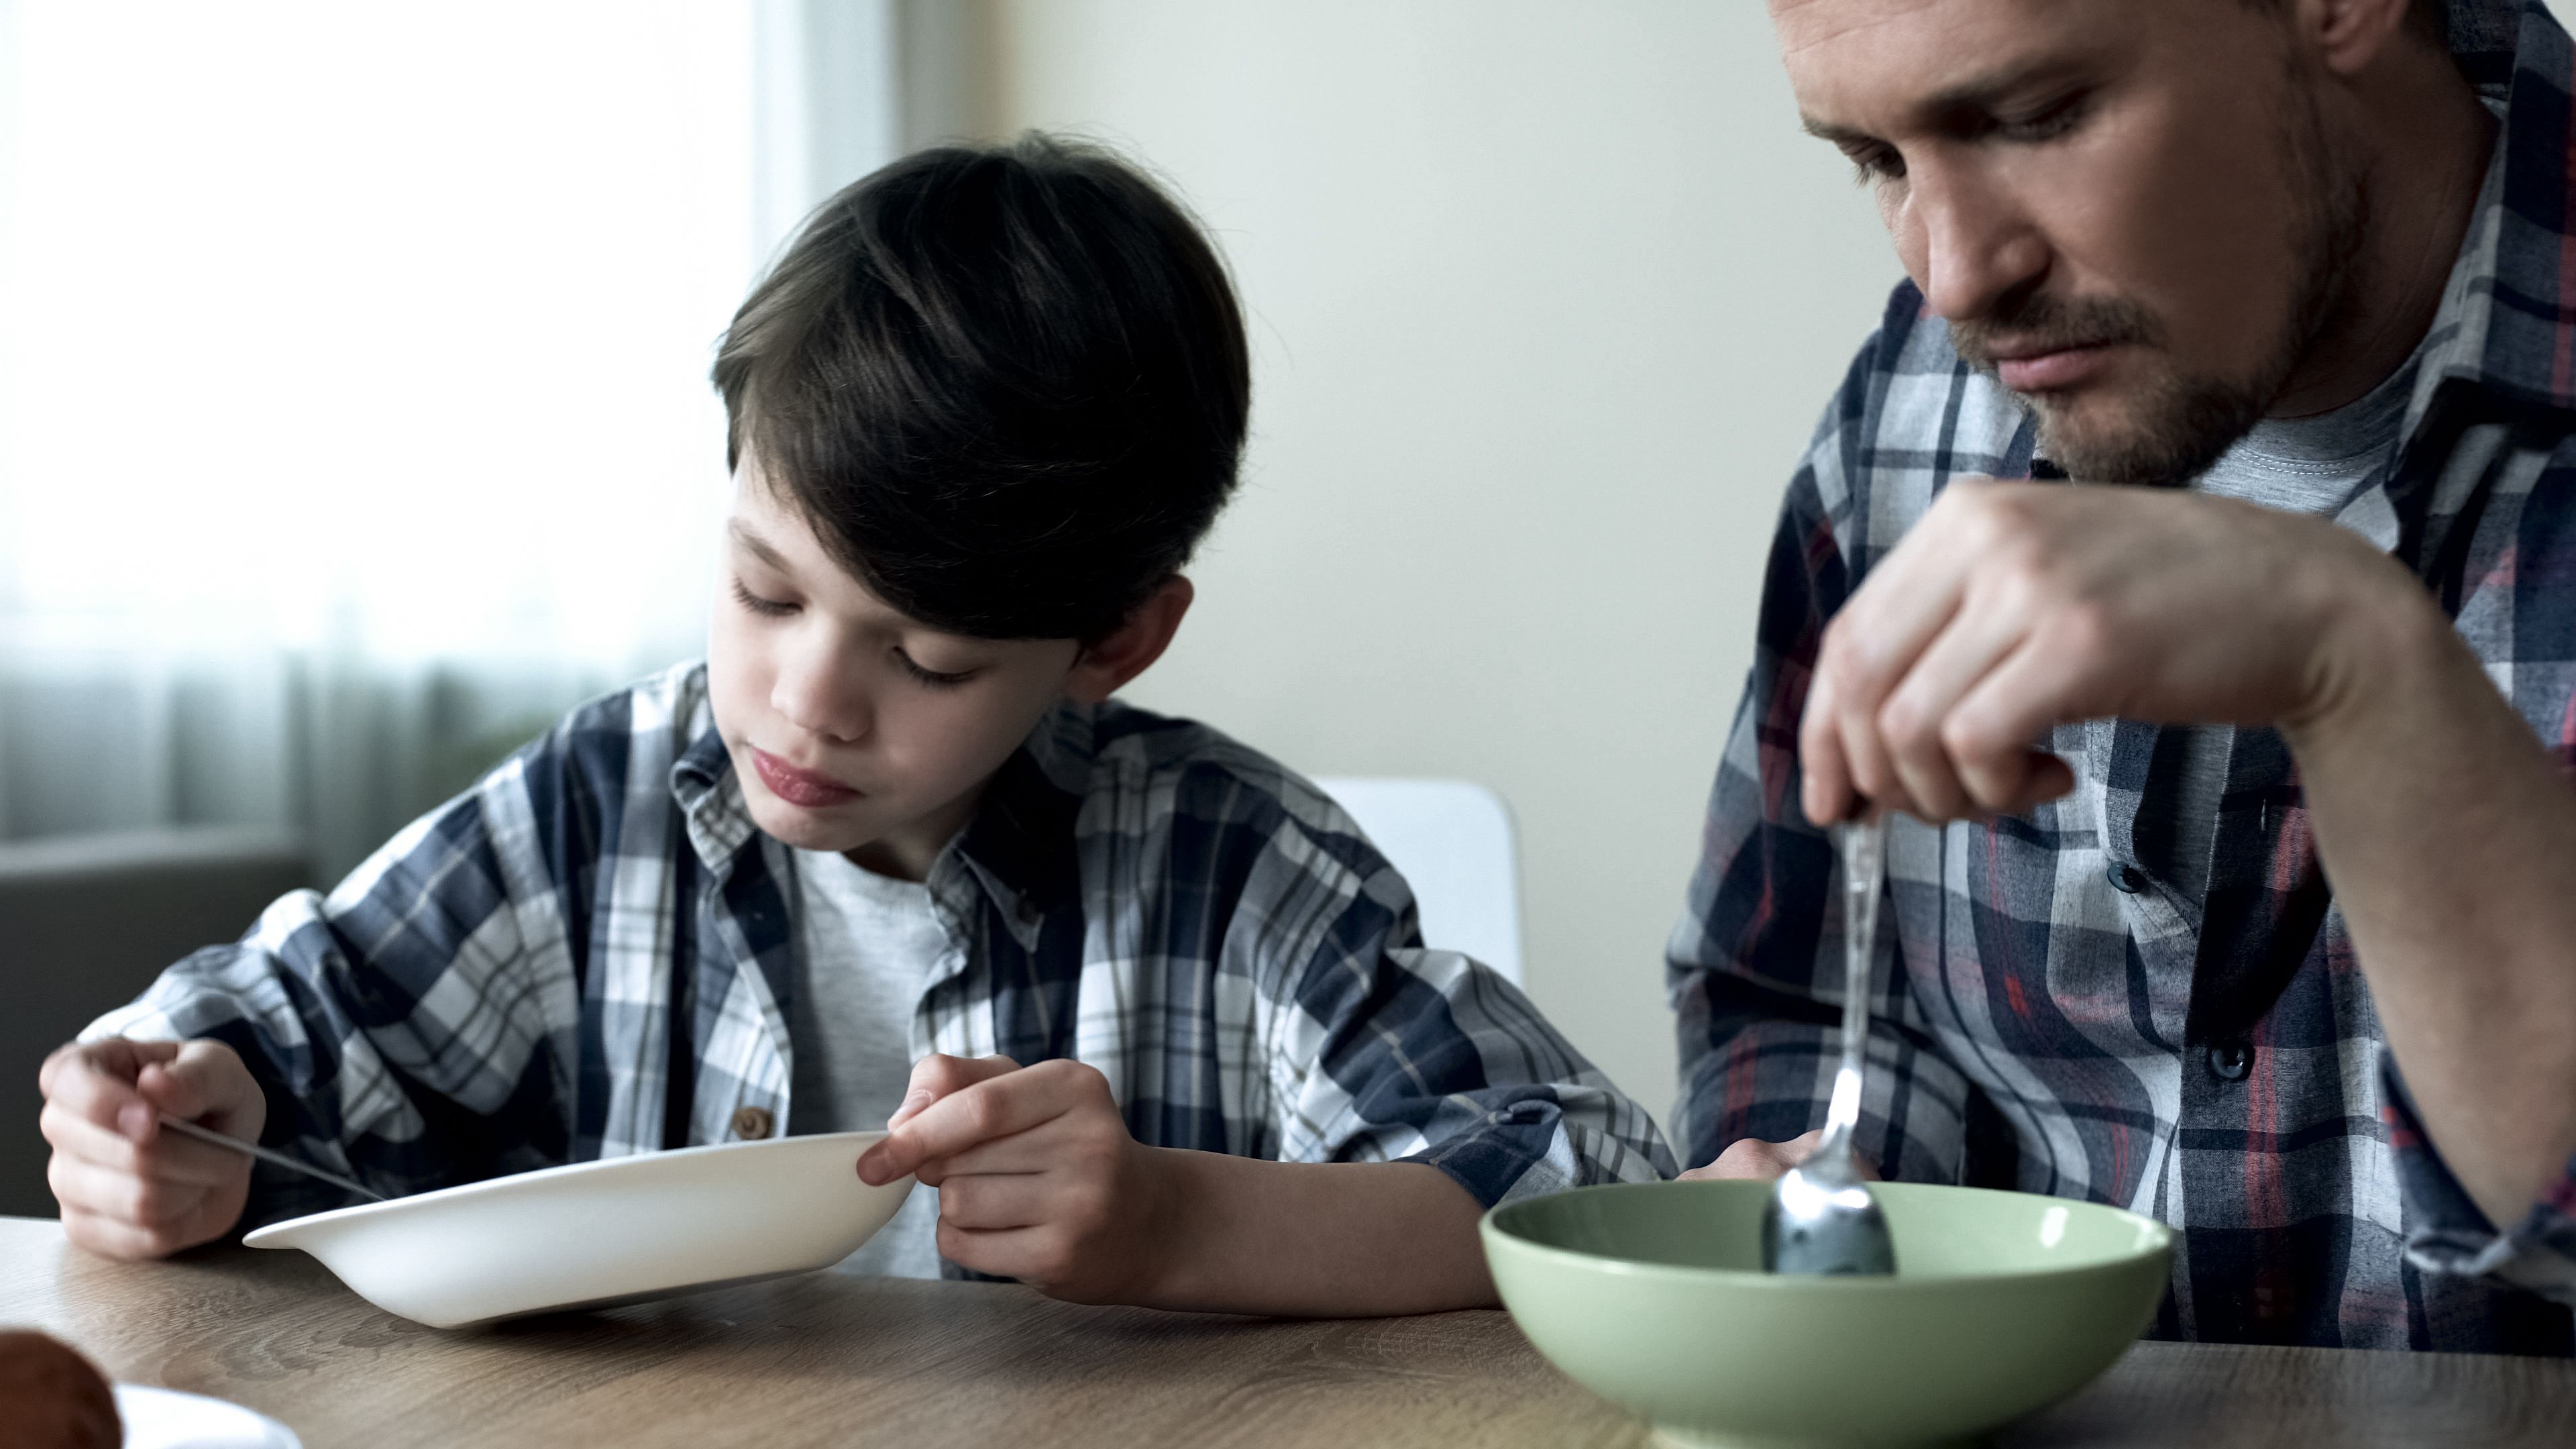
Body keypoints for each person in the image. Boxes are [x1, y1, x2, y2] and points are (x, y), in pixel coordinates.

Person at [37, 135, 1671, 1316]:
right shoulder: (602, 807)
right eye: (764, 589)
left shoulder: (1232, 874)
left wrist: (1178, 1222)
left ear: (1115, 638)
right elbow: (288, 1035)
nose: (807, 698)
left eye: (933, 659)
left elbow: (1593, 1197)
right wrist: (181, 1121)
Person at [1673, 0, 2576, 1352]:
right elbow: (1790, 991)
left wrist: (2366, 667)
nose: (1957, 276)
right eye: (1877, 160)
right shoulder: (1915, 413)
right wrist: (1833, 1212)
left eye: (2038, 117)